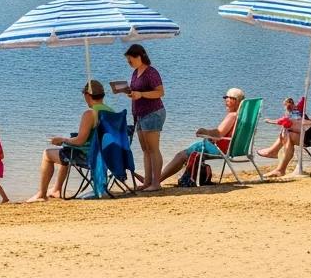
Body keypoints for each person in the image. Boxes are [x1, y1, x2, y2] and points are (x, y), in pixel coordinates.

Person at [26, 80, 112, 202]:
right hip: (109, 157)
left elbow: (80, 141)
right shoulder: (111, 112)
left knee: (47, 154)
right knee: (66, 150)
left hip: (90, 157)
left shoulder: (90, 114)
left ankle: (41, 194)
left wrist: (62, 139)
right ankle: (56, 189)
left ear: (87, 95)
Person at [158, 88, 245, 185]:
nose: (226, 100)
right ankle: (159, 178)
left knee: (182, 155)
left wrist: (204, 131)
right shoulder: (243, 116)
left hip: (221, 149)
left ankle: (157, 180)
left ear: (238, 101)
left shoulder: (232, 116)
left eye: (230, 98)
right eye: (225, 97)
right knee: (186, 154)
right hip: (234, 148)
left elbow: (218, 133)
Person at [122, 43, 166, 191]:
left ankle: (156, 183)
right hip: (139, 114)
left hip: (153, 112)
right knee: (145, 150)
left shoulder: (151, 72)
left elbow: (160, 92)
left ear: (139, 57)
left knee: (153, 149)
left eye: (130, 60)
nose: (129, 63)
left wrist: (141, 94)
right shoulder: (135, 73)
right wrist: (131, 93)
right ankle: (147, 182)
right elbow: (137, 91)